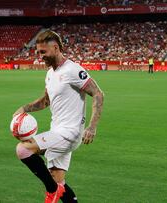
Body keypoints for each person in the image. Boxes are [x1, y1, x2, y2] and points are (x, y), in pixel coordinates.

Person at [13, 30, 104, 203]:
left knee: (23, 149)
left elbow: (98, 94)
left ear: (55, 48)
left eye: (43, 52)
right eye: (38, 52)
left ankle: (52, 190)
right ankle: (56, 189)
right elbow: (46, 100)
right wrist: (24, 108)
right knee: (59, 180)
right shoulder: (50, 73)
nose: (40, 56)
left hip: (69, 133)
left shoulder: (73, 70)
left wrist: (92, 127)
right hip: (57, 131)